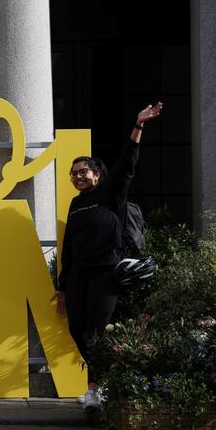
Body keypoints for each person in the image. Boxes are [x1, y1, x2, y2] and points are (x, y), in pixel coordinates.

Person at [51, 102, 163, 411]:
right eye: (73, 174)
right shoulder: (76, 204)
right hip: (78, 276)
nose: (77, 176)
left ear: (97, 174)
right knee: (78, 330)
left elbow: (127, 163)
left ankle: (95, 389)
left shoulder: (110, 194)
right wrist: (61, 285)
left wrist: (138, 126)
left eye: (82, 171)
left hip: (105, 273)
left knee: (97, 331)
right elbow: (69, 247)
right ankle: (105, 381)